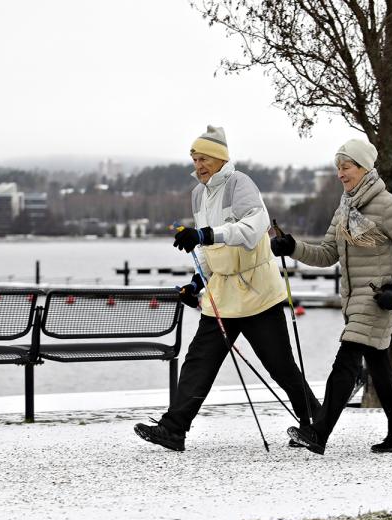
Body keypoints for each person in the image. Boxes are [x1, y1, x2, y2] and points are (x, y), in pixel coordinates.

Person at [134, 125, 321, 451]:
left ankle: (316, 424)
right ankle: (173, 429)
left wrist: (204, 234)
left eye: (204, 158)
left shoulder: (240, 183)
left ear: (220, 158)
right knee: (199, 361)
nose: (198, 165)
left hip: (258, 293)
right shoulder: (199, 193)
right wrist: (197, 281)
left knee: (280, 366)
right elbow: (208, 251)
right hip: (222, 294)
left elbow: (251, 229)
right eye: (194, 158)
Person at [274, 138, 392, 455]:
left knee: (345, 364)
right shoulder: (345, 208)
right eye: (338, 168)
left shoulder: (388, 206)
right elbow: (327, 253)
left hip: (376, 301)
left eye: (346, 167)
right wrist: (292, 247)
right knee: (380, 370)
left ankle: (319, 433)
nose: (341, 174)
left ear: (364, 167)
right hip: (353, 300)